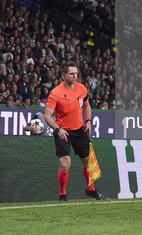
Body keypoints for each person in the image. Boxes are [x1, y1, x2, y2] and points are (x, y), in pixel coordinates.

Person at [43, 61, 105, 202]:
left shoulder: (81, 88)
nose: (75, 76)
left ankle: (90, 190)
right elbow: (47, 116)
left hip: (80, 130)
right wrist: (58, 129)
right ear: (63, 75)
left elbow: (87, 105)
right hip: (63, 131)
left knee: (88, 163)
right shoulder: (55, 93)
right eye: (72, 74)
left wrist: (88, 121)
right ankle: (63, 195)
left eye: (76, 73)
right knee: (65, 164)